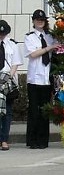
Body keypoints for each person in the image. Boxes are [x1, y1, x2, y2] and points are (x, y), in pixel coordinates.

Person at [25, 9, 59, 149]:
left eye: (42, 20)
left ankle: (43, 140)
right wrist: (48, 48)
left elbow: (58, 49)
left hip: (46, 78)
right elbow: (33, 54)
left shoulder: (50, 36)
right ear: (33, 21)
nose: (40, 22)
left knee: (45, 111)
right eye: (37, 20)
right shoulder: (30, 37)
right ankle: (32, 140)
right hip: (34, 79)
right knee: (34, 110)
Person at [0, 20, 22, 151]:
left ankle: (4, 139)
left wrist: (7, 78)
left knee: (7, 111)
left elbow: (16, 63)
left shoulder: (12, 45)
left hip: (8, 80)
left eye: (3, 33)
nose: (1, 35)